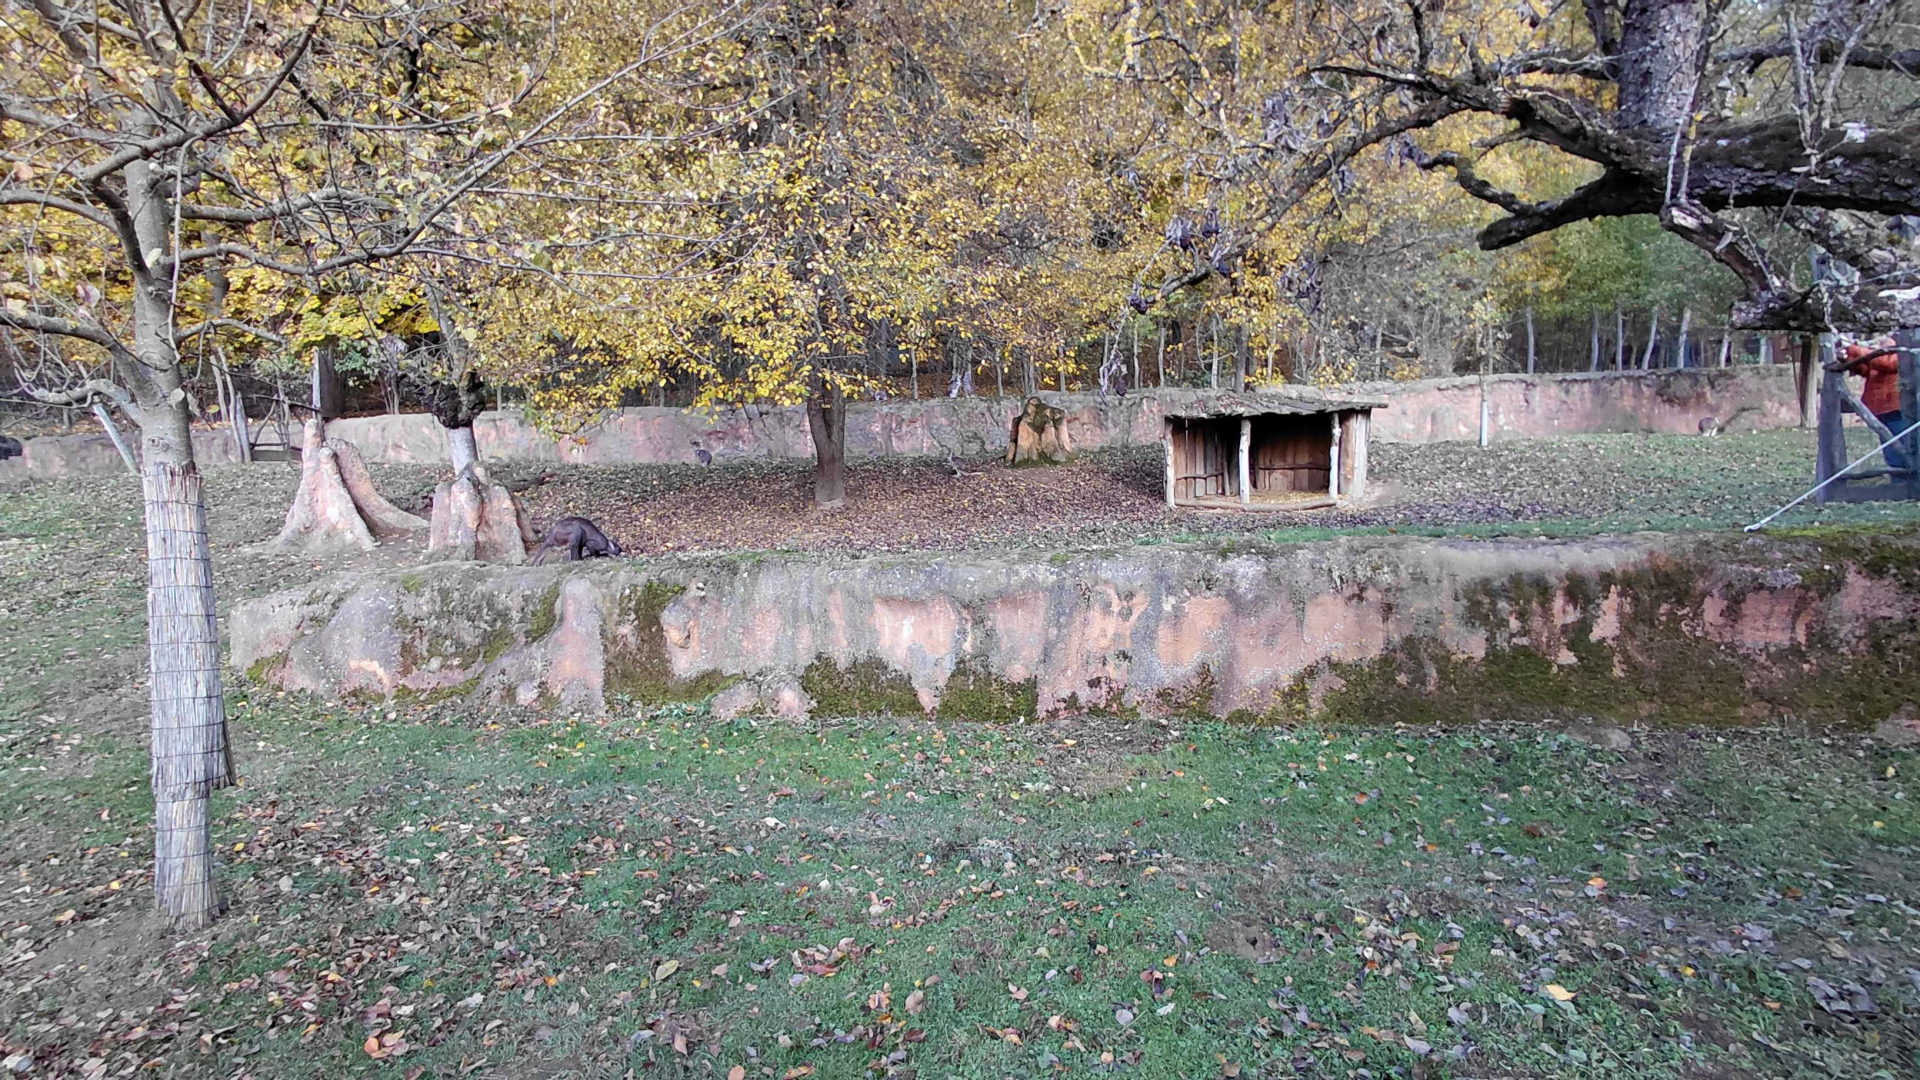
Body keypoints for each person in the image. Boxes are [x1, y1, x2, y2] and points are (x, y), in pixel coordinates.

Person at [1843, 335, 1905, 470]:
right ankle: (1898, 480)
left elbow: (1887, 362)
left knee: (1900, 448)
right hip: (1881, 408)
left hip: (1897, 408)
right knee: (1890, 446)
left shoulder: (1904, 353)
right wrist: (1847, 357)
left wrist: (1854, 349)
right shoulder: (1883, 360)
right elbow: (1867, 368)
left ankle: (1904, 482)